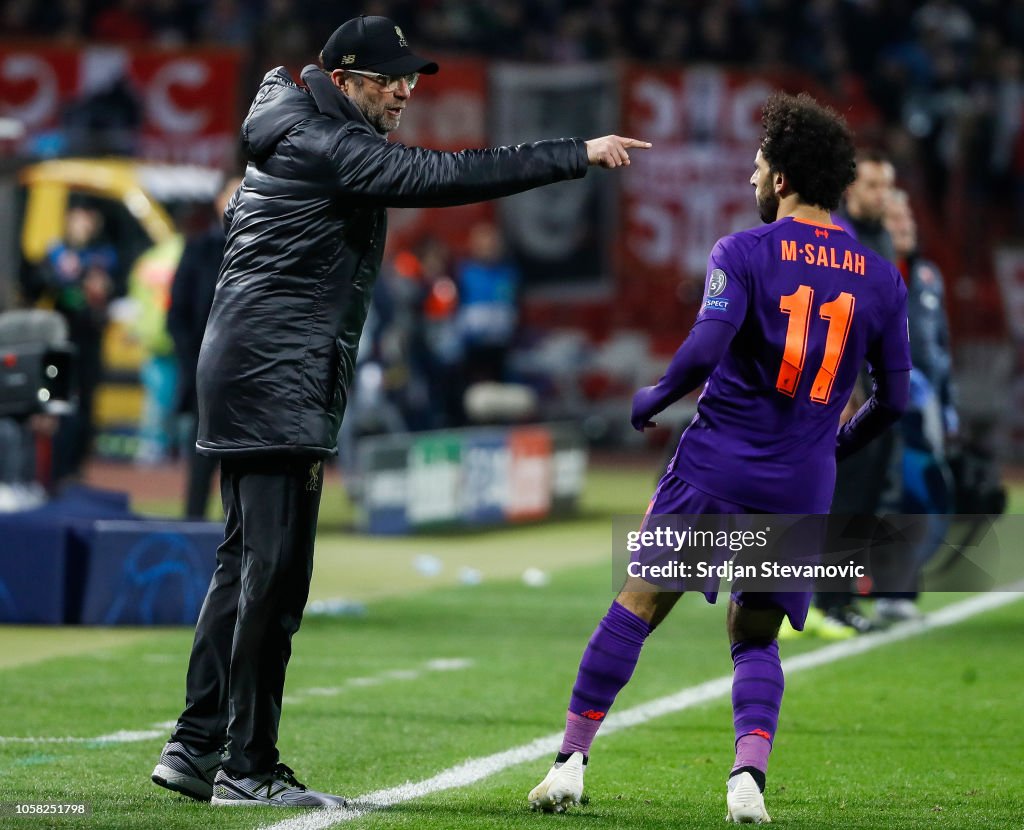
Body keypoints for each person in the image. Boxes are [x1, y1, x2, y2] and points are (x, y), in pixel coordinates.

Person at [151, 14, 650, 808]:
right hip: (276, 376)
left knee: (245, 564)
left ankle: (195, 744)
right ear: (345, 79)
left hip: (255, 369)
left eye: (410, 78)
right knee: (273, 580)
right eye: (391, 80)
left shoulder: (295, 125)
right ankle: (246, 766)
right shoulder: (324, 144)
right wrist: (573, 155)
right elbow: (439, 177)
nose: (407, 91)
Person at [526, 92, 911, 823]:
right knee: (755, 635)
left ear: (785, 177)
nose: (750, 180)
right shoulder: (880, 277)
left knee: (638, 602)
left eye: (758, 167)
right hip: (801, 479)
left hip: (715, 465)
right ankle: (746, 781)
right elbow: (893, 399)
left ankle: (571, 762)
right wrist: (836, 445)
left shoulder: (742, 251)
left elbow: (705, 348)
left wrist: (652, 397)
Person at [813, 149, 901, 634]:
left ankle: (842, 598)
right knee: (842, 497)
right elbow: (836, 318)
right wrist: (846, 387)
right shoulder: (839, 239)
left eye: (885, 187)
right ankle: (828, 602)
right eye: (871, 186)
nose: (880, 195)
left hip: (881, 388)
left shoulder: (881, 238)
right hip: (849, 390)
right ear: (849, 189)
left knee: (865, 499)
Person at [874, 188, 958, 619]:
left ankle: (891, 588)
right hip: (886, 406)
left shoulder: (926, 275)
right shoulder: (869, 271)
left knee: (928, 501)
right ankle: (886, 591)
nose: (905, 225)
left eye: (908, 217)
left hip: (923, 410)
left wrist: (947, 403)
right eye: (894, 219)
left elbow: (939, 343)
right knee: (900, 498)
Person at [166, 176, 242, 519]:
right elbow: (177, 313)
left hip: (251, 371)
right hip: (205, 369)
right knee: (200, 456)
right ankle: (192, 526)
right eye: (231, 191)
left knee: (246, 458)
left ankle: (242, 530)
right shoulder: (198, 249)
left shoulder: (268, 245)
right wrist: (192, 362)